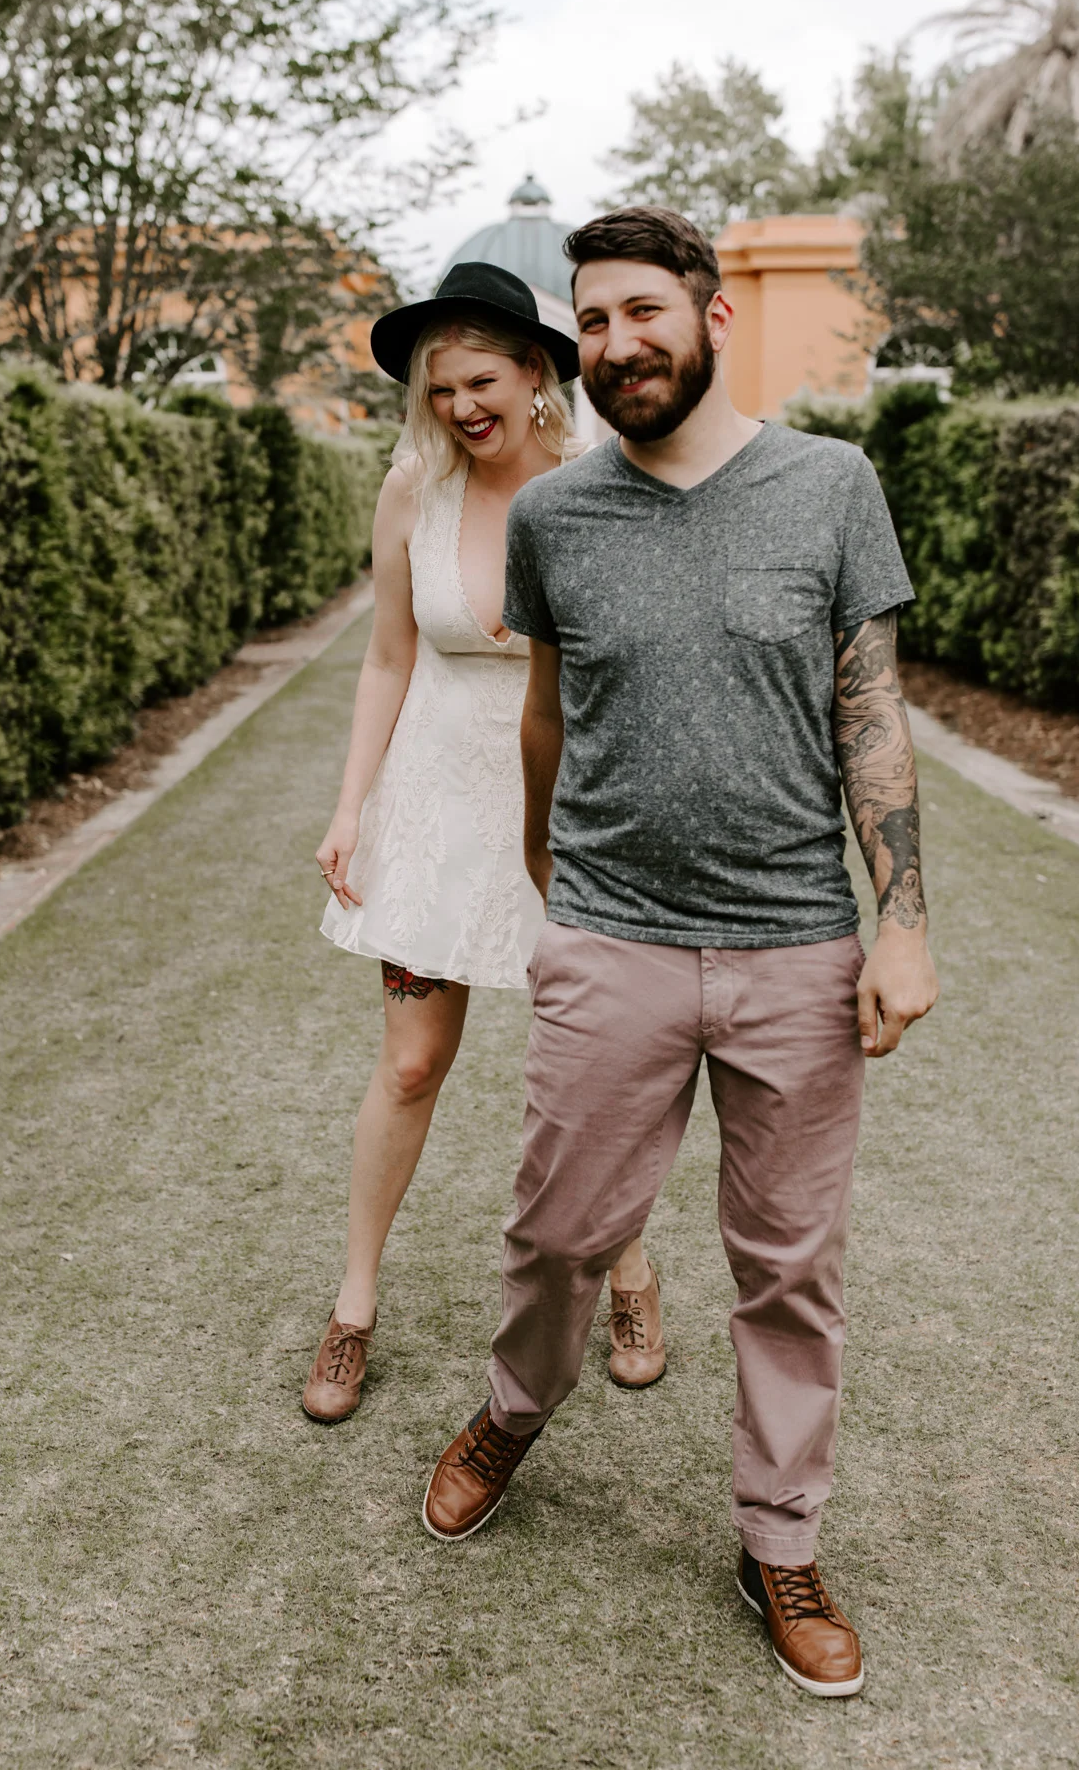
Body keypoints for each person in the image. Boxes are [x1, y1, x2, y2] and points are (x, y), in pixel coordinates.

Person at [421, 208, 940, 1700]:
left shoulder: (830, 486)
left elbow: (870, 709)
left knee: (790, 1268)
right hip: (613, 938)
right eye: (590, 322)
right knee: (556, 1233)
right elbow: (545, 713)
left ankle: (781, 1538)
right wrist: (552, 881)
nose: (615, 344)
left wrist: (902, 916)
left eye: (641, 311)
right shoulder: (556, 517)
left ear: (712, 317)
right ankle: (514, 1408)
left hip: (796, 945)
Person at [302, 260, 660, 1424]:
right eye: (441, 387)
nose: (461, 405)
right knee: (411, 1062)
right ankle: (353, 1304)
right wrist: (352, 805)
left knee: (596, 1066)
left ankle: (631, 1270)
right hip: (435, 805)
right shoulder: (414, 487)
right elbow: (387, 657)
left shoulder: (608, 484)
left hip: (574, 807)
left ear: (536, 373)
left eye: (481, 381)